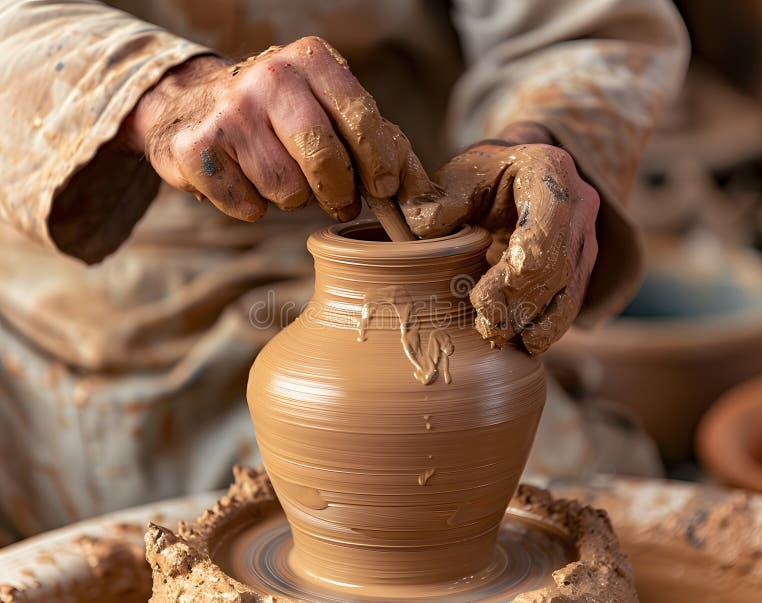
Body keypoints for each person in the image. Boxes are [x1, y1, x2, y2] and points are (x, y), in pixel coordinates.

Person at [0, 0, 688, 541]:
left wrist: (530, 141)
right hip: (82, 292)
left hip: (423, 222)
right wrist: (162, 90)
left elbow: (583, 27)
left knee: (591, 515)